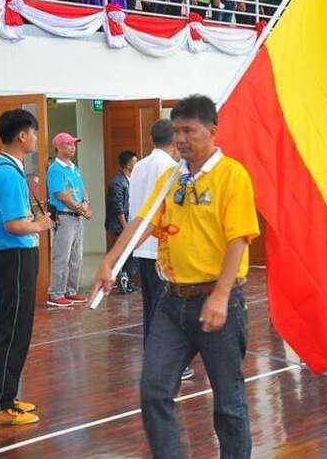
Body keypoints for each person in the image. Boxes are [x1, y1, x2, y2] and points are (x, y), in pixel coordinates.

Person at [90, 94, 259, 457]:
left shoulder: (232, 176)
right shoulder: (171, 178)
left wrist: (220, 295)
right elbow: (143, 221)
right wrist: (110, 261)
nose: (180, 139)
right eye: (177, 131)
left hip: (218, 302)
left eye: (189, 130)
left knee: (228, 404)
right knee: (154, 390)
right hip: (173, 302)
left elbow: (239, 240)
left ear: (212, 131)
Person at [0, 109, 53, 425]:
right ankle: (0, 405)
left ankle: (4, 397)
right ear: (22, 136)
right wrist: (39, 224)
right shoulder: (9, 174)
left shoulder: (4, 168)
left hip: (14, 258)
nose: (36, 139)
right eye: (34, 133)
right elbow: (13, 225)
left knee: (14, 328)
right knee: (13, 330)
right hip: (14, 258)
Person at [126, 121, 181, 348]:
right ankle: (161, 355)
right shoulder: (172, 168)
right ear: (175, 139)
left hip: (141, 244)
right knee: (165, 308)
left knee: (150, 305)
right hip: (161, 247)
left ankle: (151, 351)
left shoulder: (138, 166)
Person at [46, 132, 91, 308]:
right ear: (58, 147)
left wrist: (85, 203)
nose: (72, 147)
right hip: (65, 216)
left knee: (76, 257)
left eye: (74, 144)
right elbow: (62, 195)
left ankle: (71, 291)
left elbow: (82, 189)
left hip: (77, 216)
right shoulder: (55, 169)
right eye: (68, 144)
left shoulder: (73, 167)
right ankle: (56, 293)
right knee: (62, 257)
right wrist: (82, 209)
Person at [105, 150, 138, 294]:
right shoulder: (117, 182)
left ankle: (126, 280)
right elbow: (118, 207)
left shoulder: (132, 180)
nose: (137, 164)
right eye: (135, 162)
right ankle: (123, 280)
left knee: (132, 254)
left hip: (131, 223)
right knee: (126, 253)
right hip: (121, 225)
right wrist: (125, 227)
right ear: (128, 165)